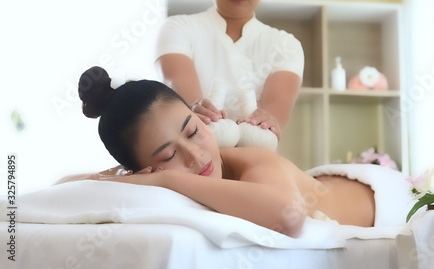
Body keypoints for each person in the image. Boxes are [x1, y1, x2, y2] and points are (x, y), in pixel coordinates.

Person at [74, 66, 376, 237]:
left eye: (193, 131)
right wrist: (124, 177)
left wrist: (166, 179)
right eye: (168, 157)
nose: (195, 155)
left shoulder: (249, 159)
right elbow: (69, 185)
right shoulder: (139, 176)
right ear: (141, 169)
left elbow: (288, 218)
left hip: (382, 198)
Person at [155, 0, 304, 141]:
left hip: (255, 161)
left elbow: (273, 120)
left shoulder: (286, 45)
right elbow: (188, 108)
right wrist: (196, 109)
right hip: (193, 158)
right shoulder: (179, 29)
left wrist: (266, 122)